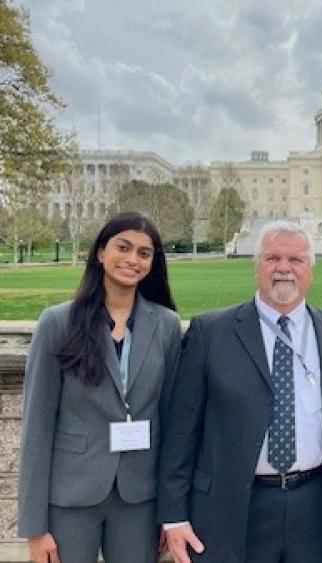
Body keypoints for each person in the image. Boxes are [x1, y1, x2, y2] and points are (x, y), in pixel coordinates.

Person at [157, 220, 322, 563]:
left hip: (317, 506)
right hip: (233, 505)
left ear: (311, 270)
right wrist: (173, 515)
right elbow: (182, 429)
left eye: (296, 260)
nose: (284, 268)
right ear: (256, 268)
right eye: (272, 258)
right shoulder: (211, 332)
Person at [18, 212, 182, 563]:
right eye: (123, 247)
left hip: (139, 497)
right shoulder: (58, 322)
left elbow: (172, 421)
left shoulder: (166, 326)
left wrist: (172, 512)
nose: (132, 260)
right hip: (71, 495)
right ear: (101, 253)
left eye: (144, 253)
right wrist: (34, 526)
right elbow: (37, 426)